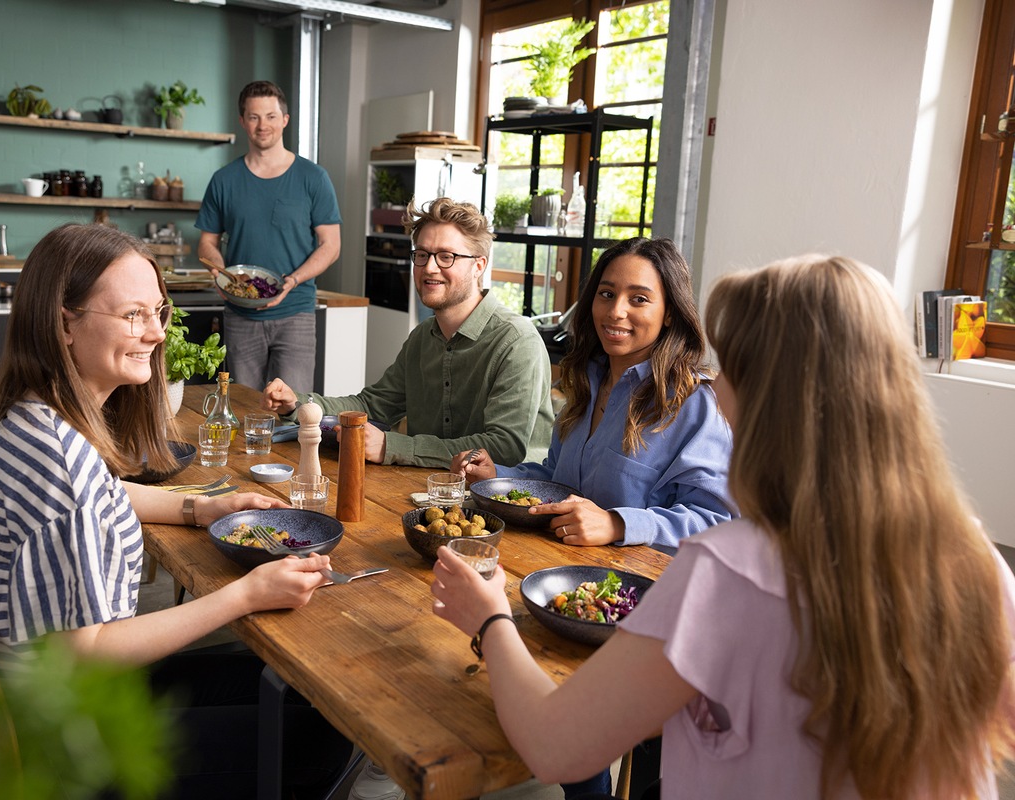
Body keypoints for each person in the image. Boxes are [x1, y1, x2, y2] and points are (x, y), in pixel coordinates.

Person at [431, 254, 1015, 799]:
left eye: (729, 366)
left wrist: (489, 619)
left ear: (771, 397)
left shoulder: (727, 569)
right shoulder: (977, 556)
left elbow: (557, 748)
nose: (714, 384)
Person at [0, 223, 351, 798]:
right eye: (132, 315)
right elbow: (89, 654)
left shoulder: (36, 416)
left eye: (158, 312)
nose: (155, 333)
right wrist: (244, 595)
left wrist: (202, 506)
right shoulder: (61, 462)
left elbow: (105, 496)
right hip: (72, 737)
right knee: (326, 734)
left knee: (306, 689)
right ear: (64, 322)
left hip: (56, 700)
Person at [451, 237, 733, 552]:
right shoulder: (587, 382)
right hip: (557, 570)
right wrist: (498, 476)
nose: (616, 311)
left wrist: (617, 524)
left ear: (669, 313)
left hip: (637, 590)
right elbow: (557, 481)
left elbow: (715, 522)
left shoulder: (697, 403)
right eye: (607, 294)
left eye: (639, 299)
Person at [261, 197, 555, 470]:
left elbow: (504, 448)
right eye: (423, 254)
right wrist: (298, 403)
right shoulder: (422, 337)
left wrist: (393, 446)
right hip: (430, 489)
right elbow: (372, 405)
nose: (430, 268)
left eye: (446, 257)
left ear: (479, 266)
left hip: (509, 503)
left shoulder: (517, 341)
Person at [196, 79, 341, 394]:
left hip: (297, 312)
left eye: (271, 116)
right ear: (242, 121)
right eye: (254, 117)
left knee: (294, 411)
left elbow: (331, 246)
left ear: (285, 120)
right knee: (245, 407)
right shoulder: (223, 180)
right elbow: (207, 242)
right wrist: (222, 275)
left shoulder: (313, 178)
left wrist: (293, 280)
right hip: (240, 315)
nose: (263, 125)